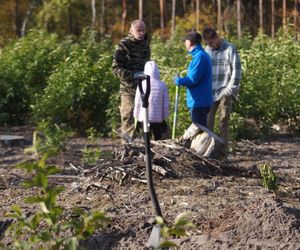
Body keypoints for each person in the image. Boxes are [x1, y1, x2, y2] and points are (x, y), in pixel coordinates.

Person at [202, 28, 242, 156]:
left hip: (225, 89)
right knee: (208, 121)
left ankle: (223, 151)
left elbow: (236, 70)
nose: (211, 46)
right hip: (210, 91)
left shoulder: (230, 49)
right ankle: (208, 150)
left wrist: (230, 89)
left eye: (212, 43)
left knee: (223, 121)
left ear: (217, 37)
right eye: (208, 44)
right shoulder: (207, 51)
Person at [112, 20, 151, 144]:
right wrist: (132, 75)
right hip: (128, 88)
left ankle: (144, 149)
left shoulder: (145, 43)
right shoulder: (124, 44)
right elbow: (116, 68)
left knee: (145, 118)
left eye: (143, 30)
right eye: (138, 31)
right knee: (128, 117)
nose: (141, 33)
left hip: (144, 88)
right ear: (131, 31)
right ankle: (127, 149)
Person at [174, 31, 213, 128]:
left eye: (185, 41)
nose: (184, 43)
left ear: (190, 42)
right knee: (201, 131)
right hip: (201, 100)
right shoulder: (202, 55)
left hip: (199, 102)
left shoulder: (199, 56)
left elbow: (192, 80)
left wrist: (178, 80)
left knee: (200, 131)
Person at [134, 61, 169, 140]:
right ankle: (159, 150)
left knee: (146, 138)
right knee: (158, 138)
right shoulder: (162, 85)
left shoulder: (142, 84)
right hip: (158, 120)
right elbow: (165, 104)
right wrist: (164, 117)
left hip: (144, 118)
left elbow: (137, 103)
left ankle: (147, 150)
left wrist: (136, 117)